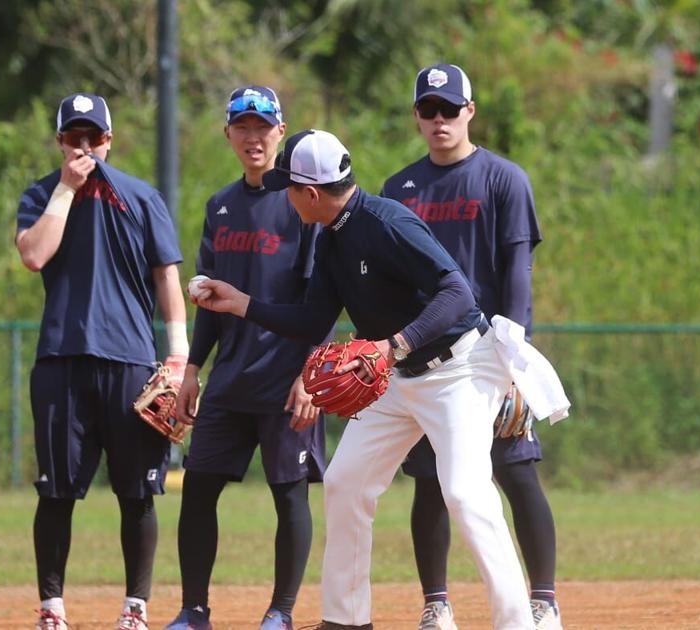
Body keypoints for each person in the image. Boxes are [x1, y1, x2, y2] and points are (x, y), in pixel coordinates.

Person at [192, 128, 548, 630]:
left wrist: (391, 344)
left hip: (459, 370)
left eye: (287, 187)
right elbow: (314, 319)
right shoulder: (331, 236)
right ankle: (346, 620)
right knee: (345, 481)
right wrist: (242, 303)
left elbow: (458, 294)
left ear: (310, 193)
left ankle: (516, 624)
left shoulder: (386, 222)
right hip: (396, 376)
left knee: (465, 493)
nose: (285, 197)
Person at [380, 63, 561, 630]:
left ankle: (544, 600)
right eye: (429, 110)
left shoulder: (503, 179)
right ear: (416, 116)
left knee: (515, 471)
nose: (440, 120)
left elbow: (517, 275)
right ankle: (436, 604)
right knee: (430, 479)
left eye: (450, 109)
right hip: (421, 356)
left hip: (486, 354)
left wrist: (514, 363)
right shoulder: (399, 189)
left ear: (470, 112)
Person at [15, 93, 187, 630]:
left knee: (138, 492)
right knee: (56, 492)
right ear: (60, 141)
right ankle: (52, 608)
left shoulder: (140, 197)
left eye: (94, 137)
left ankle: (134, 608)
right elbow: (33, 254)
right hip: (62, 359)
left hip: (132, 361)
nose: (84, 146)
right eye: (74, 137)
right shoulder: (43, 194)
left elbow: (167, 277)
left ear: (109, 140)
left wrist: (179, 356)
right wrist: (66, 187)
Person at [161, 87, 327, 630]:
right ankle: (194, 610)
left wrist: (310, 375)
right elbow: (208, 298)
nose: (253, 137)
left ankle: (280, 612)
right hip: (230, 378)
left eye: (263, 126)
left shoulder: (304, 203)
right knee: (199, 490)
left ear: (282, 131)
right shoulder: (221, 206)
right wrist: (192, 368)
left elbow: (320, 300)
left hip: (286, 380)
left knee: (288, 494)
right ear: (228, 133)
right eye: (243, 127)